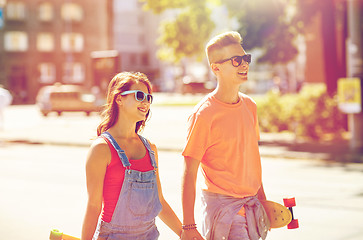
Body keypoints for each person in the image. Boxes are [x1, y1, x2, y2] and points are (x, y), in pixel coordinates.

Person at [181, 31, 270, 240]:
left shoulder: (250, 106)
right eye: (236, 60)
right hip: (224, 214)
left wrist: (264, 201)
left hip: (252, 209)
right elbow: (189, 173)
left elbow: (251, 158)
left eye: (245, 58)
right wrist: (188, 226)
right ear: (216, 68)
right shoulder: (203, 114)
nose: (244, 65)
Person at [81, 72, 182, 240]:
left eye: (149, 98)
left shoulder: (151, 149)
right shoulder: (101, 149)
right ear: (119, 98)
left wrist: (184, 233)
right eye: (139, 95)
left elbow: (159, 202)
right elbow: (93, 206)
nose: (145, 102)